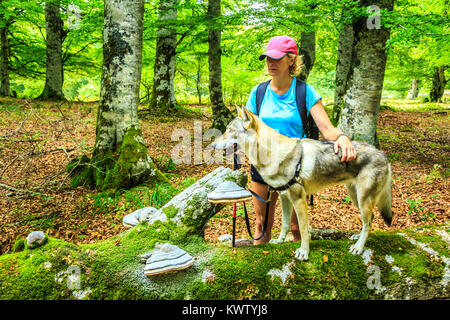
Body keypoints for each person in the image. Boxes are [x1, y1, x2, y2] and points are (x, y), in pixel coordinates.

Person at [245, 35, 357, 245]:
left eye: (277, 58)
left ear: (291, 60)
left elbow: (327, 128)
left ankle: (300, 272)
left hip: (295, 166)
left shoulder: (304, 91)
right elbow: (247, 128)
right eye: (268, 58)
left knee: (297, 228)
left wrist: (342, 137)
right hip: (264, 164)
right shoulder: (258, 92)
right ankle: (261, 273)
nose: (271, 63)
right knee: (261, 225)